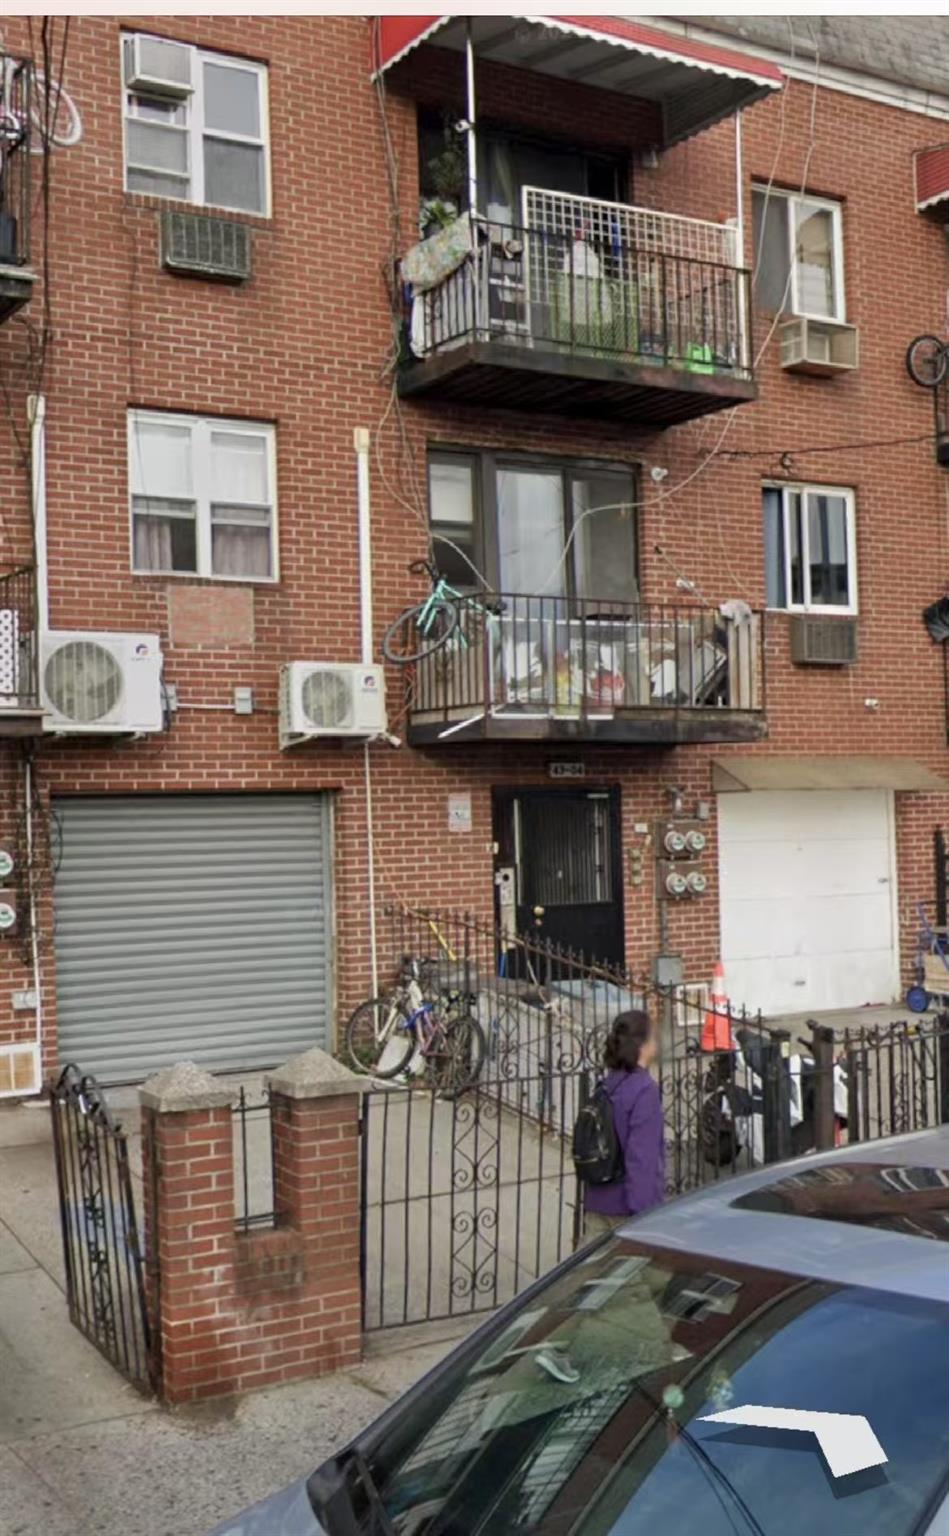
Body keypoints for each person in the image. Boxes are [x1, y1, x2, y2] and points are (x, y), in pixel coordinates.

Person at [584, 1010, 665, 1236]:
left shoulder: (608, 1083)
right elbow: (642, 1159)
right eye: (653, 1037)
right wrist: (646, 1215)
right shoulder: (644, 1091)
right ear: (643, 1045)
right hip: (627, 1210)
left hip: (597, 1200)